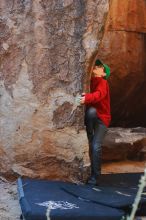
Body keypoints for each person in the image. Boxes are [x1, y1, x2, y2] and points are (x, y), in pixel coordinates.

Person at [80, 59, 111, 186]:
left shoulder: (103, 82)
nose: (96, 67)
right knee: (91, 111)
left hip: (102, 119)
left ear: (104, 74)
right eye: (96, 65)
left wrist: (85, 98)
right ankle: (89, 136)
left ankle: (95, 176)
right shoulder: (89, 81)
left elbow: (98, 95)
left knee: (95, 146)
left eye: (100, 67)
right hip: (93, 117)